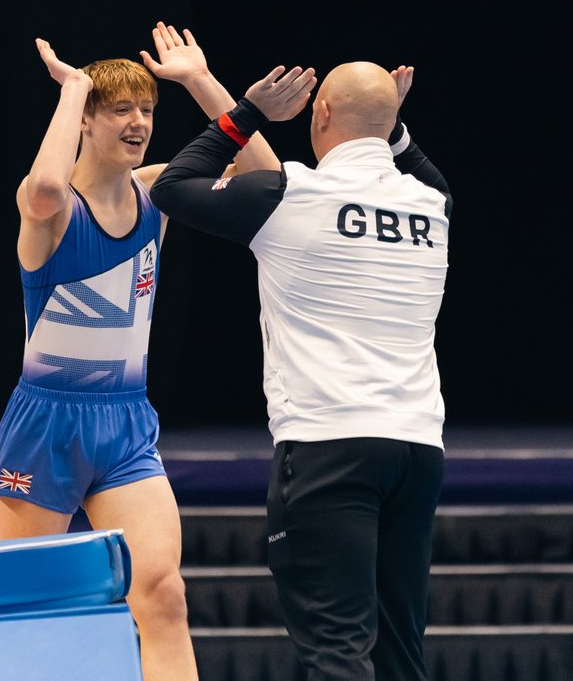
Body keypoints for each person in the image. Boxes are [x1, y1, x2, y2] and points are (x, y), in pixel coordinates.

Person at [0, 23, 279, 681]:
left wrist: (201, 81)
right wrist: (74, 90)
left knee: (164, 597)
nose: (139, 122)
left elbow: (267, 177)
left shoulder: (160, 194)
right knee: (29, 611)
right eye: (121, 108)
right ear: (88, 121)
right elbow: (43, 188)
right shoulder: (55, 211)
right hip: (46, 429)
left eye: (148, 109)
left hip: (124, 427)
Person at [150, 60, 453, 681]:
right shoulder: (432, 205)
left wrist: (249, 112)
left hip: (328, 449)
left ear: (318, 115)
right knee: (400, 655)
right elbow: (421, 167)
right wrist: (390, 126)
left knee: (336, 652)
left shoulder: (292, 195)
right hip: (417, 450)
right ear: (392, 123)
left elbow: (173, 186)